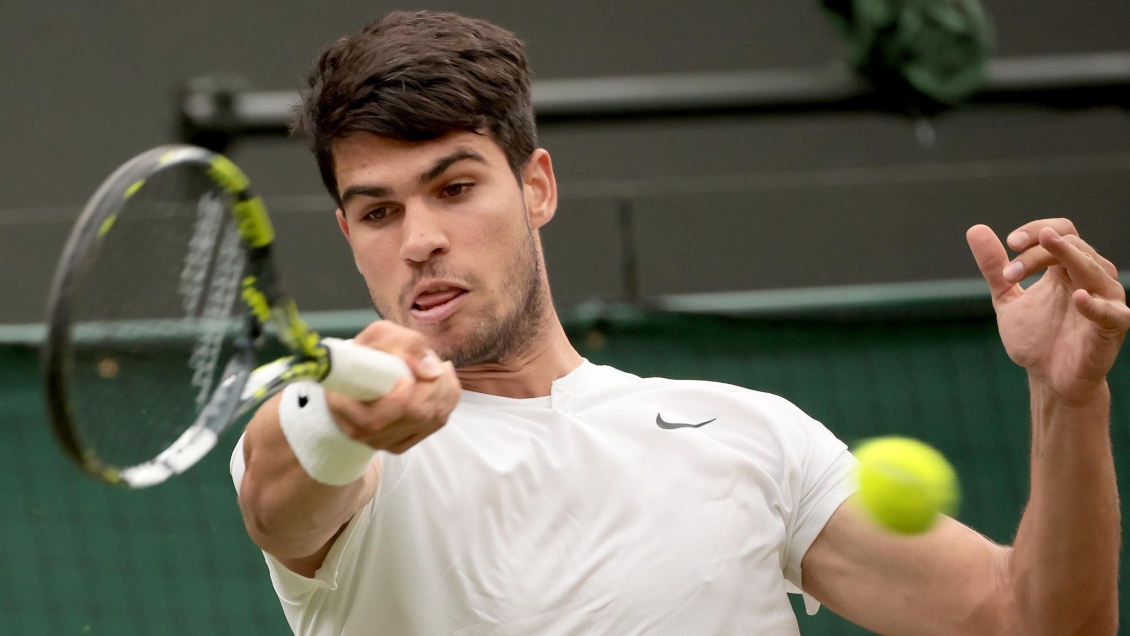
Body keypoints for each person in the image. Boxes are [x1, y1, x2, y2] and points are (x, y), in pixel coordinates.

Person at [230, 10, 1127, 636]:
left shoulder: (751, 435)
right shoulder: (342, 445)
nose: (420, 239)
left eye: (455, 188)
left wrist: (1066, 396)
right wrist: (347, 414)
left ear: (536, 186)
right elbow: (280, 491)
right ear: (350, 235)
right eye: (379, 213)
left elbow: (1037, 623)